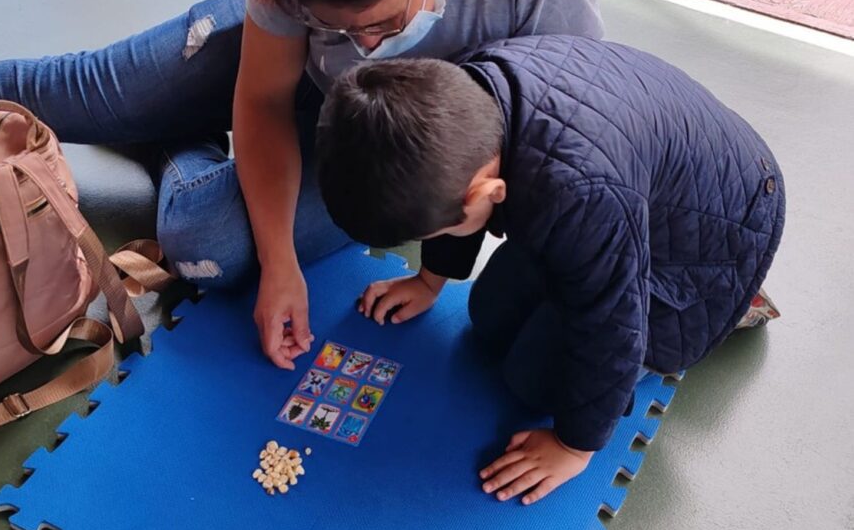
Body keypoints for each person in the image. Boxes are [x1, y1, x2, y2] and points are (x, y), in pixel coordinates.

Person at [0, 0, 603, 370]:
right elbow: (261, 103)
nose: (362, 44)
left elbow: (567, 145)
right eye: (338, 27)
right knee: (84, 89)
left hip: (375, 148)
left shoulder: (541, 1)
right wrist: (286, 266)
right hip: (277, 75)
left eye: (385, 25)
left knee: (206, 248)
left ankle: (176, 135)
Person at [314, 36, 784, 504]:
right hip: (636, 182)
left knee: (532, 382)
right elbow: (449, 190)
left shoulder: (582, 194)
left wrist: (574, 446)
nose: (428, 244)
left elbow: (611, 324)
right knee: (488, 313)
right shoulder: (461, 93)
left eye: (429, 237)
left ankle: (736, 302)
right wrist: (429, 280)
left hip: (718, 235)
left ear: (487, 194)